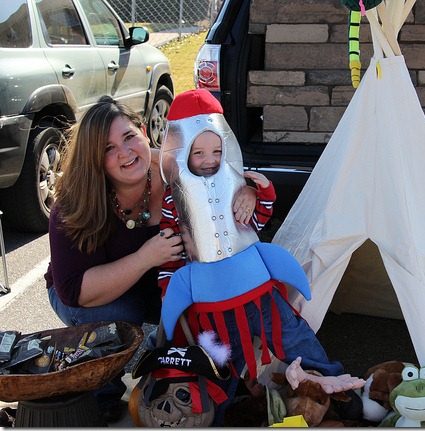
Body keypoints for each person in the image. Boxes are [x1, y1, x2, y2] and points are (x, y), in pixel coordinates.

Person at [44, 95, 258, 422]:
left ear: (145, 131)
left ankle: (219, 378)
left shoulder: (179, 168)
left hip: (166, 284)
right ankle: (101, 384)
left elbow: (229, 176)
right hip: (93, 296)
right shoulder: (74, 203)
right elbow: (73, 290)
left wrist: (250, 192)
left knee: (213, 305)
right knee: (117, 314)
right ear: (93, 160)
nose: (125, 153)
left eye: (129, 137)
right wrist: (146, 257)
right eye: (107, 148)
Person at [157, 89, 364, 426]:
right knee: (219, 363)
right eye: (198, 152)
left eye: (216, 150)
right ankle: (222, 412)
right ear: (180, 153)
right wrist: (172, 294)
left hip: (260, 293)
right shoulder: (172, 202)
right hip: (214, 308)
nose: (209, 159)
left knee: (296, 337)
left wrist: (259, 193)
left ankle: (337, 390)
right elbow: (170, 256)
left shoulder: (238, 185)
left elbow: (258, 221)